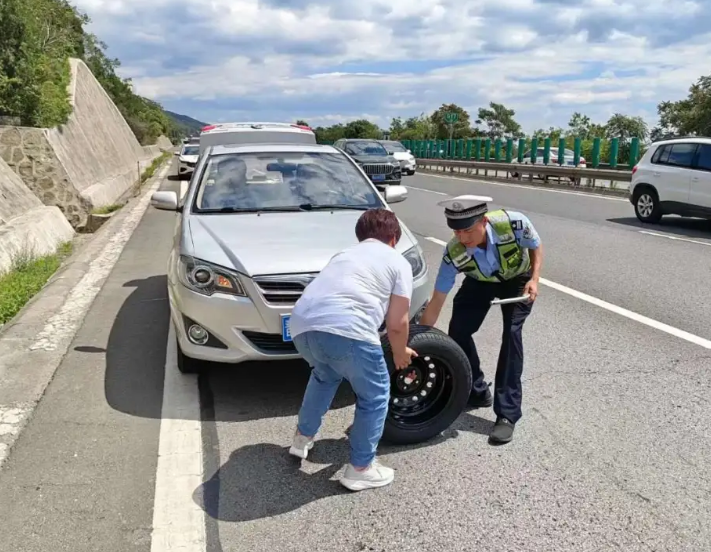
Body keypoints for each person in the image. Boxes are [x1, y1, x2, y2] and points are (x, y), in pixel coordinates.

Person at [287, 208, 417, 491]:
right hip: (348, 329)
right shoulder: (397, 261)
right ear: (394, 238)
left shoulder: (343, 255)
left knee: (325, 375)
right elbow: (398, 322)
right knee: (375, 395)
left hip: (301, 328)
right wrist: (399, 352)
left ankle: (301, 438)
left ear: (360, 237)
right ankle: (361, 468)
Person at [419, 195, 543, 445]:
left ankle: (507, 415)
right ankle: (476, 391)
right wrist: (417, 337)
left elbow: (536, 244)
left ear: (483, 221)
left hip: (517, 278)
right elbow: (437, 300)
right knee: (458, 331)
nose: (462, 238)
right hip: (480, 282)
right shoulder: (453, 252)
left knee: (511, 335)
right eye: (455, 232)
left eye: (466, 230)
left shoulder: (513, 223)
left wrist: (534, 278)